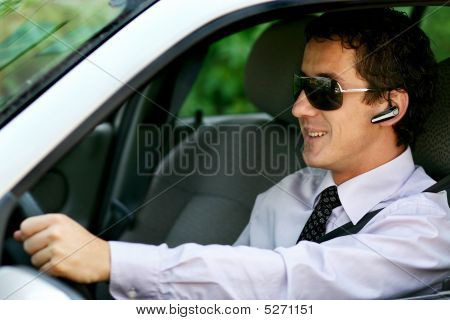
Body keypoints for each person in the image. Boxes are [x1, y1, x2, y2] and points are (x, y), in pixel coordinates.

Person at [13, 8, 450, 299]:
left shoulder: (426, 228)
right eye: (300, 86)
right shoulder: (293, 191)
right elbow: (236, 293)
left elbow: (288, 282)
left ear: (390, 106)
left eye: (322, 91)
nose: (299, 106)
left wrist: (112, 259)